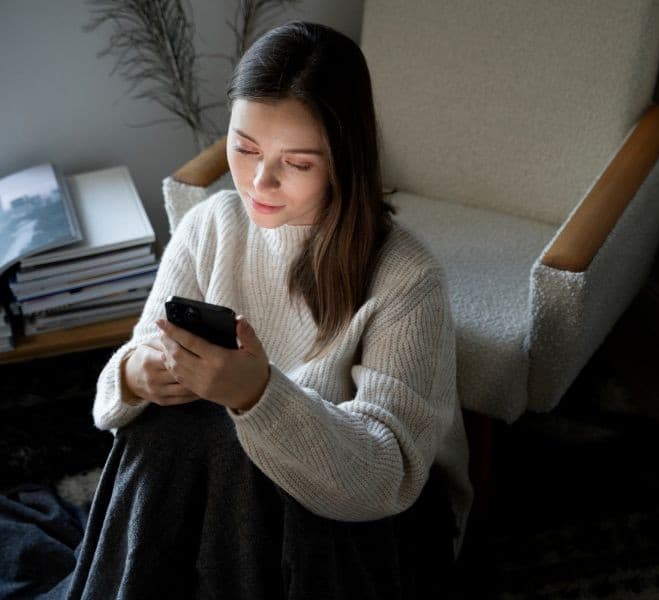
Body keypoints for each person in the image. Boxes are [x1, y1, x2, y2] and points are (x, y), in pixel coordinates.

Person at [56, 20, 472, 599]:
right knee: (167, 427)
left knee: (230, 442)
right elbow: (111, 402)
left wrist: (259, 396)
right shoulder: (210, 227)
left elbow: (388, 477)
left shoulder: (407, 279)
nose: (259, 181)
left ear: (344, 159)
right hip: (231, 499)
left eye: (296, 164)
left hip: (370, 524)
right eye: (244, 148)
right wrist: (135, 375)